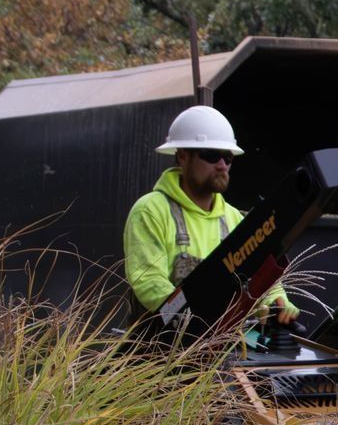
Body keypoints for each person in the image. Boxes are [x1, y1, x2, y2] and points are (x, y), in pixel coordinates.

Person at [123, 105, 296, 324]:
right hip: (162, 351)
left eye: (228, 157)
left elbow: (260, 272)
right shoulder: (151, 211)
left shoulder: (234, 218)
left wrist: (275, 300)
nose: (222, 165)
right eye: (212, 155)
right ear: (183, 156)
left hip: (222, 349)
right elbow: (149, 281)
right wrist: (191, 320)